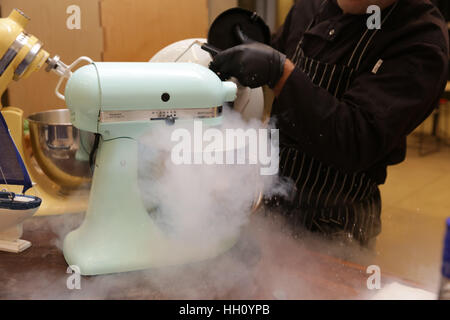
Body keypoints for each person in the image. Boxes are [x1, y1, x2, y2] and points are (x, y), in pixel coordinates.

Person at [209, 0, 449, 245]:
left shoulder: (420, 40)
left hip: (334, 226)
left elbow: (356, 138)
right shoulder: (311, 5)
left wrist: (280, 73)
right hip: (271, 203)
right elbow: (280, 48)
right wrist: (250, 47)